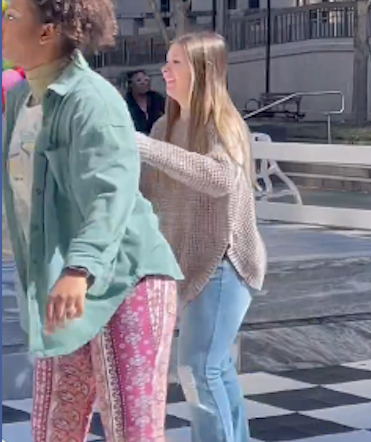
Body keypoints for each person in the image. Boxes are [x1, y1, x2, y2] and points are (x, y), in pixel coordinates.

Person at [1, 0, 184, 440]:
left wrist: (79, 269)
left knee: (131, 428)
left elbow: (111, 192)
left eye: (10, 17)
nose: (1, 25)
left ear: (48, 32)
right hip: (63, 284)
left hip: (123, 281)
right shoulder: (22, 100)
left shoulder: (92, 99)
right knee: (54, 426)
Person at [135, 31, 267, 442]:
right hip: (185, 264)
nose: (165, 71)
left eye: (176, 63)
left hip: (224, 262)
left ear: (203, 70)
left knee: (198, 368)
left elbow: (220, 177)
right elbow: (147, 190)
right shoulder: (163, 126)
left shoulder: (222, 124)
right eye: (167, 61)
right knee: (215, 368)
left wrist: (143, 146)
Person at [124, 69, 166, 134]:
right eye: (139, 80)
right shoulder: (126, 103)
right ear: (130, 84)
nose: (143, 83)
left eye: (146, 80)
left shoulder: (156, 98)